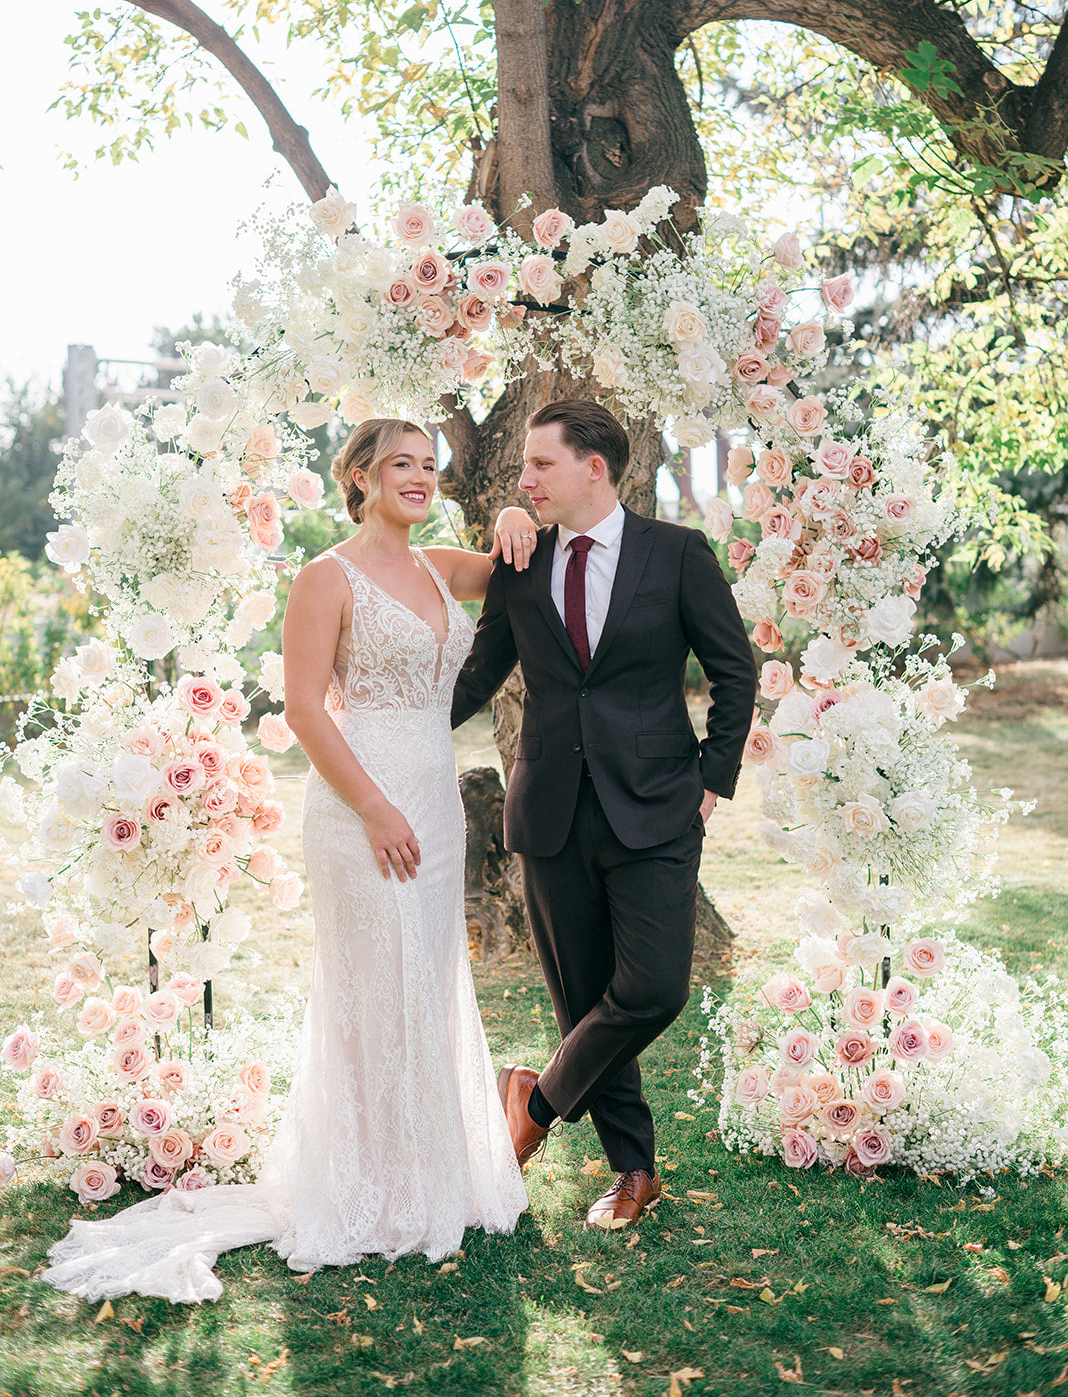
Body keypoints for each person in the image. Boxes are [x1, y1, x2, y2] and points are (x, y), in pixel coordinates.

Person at [43, 417, 535, 1302]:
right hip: (362, 808)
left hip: (433, 797)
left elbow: (514, 565)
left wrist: (508, 513)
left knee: (424, 976)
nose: (420, 479)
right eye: (401, 465)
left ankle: (431, 1178)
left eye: (430, 467)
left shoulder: (438, 568)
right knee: (369, 987)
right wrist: (376, 808)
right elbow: (307, 711)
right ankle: (361, 1187)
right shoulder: (324, 577)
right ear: (359, 476)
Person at [451, 399, 758, 1229]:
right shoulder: (520, 562)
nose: (524, 481)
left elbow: (736, 670)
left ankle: (535, 1100)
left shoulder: (679, 555)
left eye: (539, 465)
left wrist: (712, 777)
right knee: (585, 996)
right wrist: (389, 727)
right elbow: (479, 676)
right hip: (549, 810)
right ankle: (633, 1172)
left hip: (657, 805)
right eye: (523, 467)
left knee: (654, 988)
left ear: (595, 468)